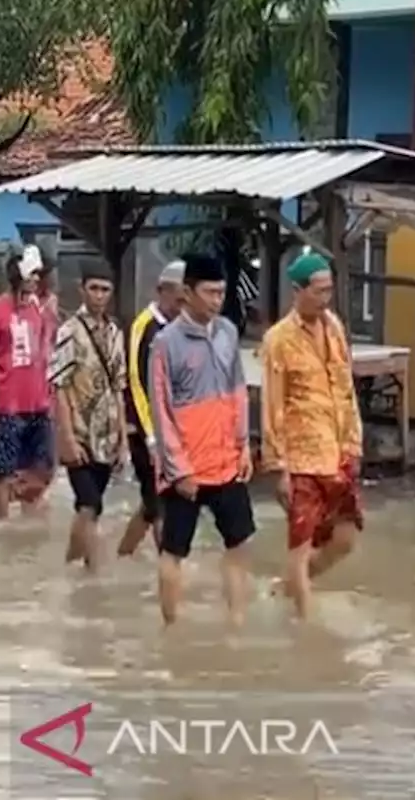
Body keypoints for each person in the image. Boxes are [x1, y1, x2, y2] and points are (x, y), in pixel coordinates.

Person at [150, 253, 255, 627]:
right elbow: (160, 412)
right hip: (186, 471)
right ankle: (172, 627)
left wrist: (243, 447)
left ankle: (237, 622)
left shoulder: (227, 331)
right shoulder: (165, 343)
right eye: (209, 292)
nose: (217, 300)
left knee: (240, 543)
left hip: (227, 460)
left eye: (221, 292)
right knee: (174, 550)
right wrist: (179, 470)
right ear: (187, 294)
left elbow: (238, 390)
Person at [261, 252, 363, 620]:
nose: (325, 299)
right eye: (318, 292)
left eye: (329, 291)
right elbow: (272, 404)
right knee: (300, 548)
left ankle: (285, 589)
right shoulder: (278, 340)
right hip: (302, 458)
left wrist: (354, 443)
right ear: (297, 291)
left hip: (338, 452)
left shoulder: (333, 325)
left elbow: (346, 387)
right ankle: (304, 630)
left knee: (346, 538)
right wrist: (279, 467)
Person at [49, 259, 127, 570]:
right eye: (93, 288)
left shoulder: (114, 333)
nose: (99, 295)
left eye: (105, 289)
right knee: (89, 504)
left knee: (91, 509)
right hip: (79, 433)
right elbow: (60, 386)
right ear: (82, 290)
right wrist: (66, 437)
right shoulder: (69, 332)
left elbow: (119, 388)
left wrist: (123, 438)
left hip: (106, 435)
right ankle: (85, 570)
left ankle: (77, 567)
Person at [0, 245, 58, 522]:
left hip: (39, 404)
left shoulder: (40, 310)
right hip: (7, 406)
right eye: (32, 273)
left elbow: (48, 356)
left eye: (39, 274)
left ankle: (28, 524)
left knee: (43, 471)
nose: (37, 279)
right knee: (4, 472)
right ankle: (2, 526)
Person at [117, 260, 186, 557]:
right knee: (161, 507)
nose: (182, 305)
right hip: (146, 429)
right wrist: (151, 436)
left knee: (152, 503)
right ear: (161, 291)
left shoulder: (181, 327)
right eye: (178, 298)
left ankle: (123, 555)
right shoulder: (143, 326)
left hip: (173, 429)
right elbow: (135, 382)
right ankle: (169, 569)